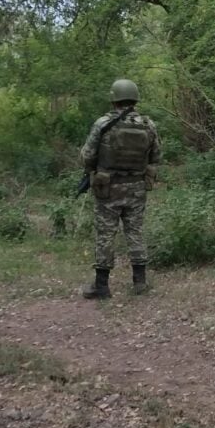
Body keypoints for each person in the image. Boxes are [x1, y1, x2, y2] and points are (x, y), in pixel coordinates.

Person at [80, 79, 162, 299]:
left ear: (114, 98)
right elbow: (156, 157)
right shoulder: (148, 124)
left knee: (106, 234)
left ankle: (102, 286)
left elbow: (87, 156)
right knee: (135, 231)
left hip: (108, 187)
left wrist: (92, 170)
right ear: (134, 98)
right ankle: (140, 282)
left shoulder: (103, 123)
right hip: (136, 188)